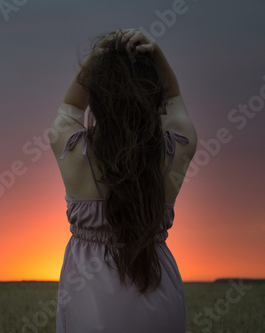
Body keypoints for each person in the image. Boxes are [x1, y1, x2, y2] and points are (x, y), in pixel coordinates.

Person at [49, 28, 198, 333]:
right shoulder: (175, 152)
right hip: (161, 295)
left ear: (97, 100)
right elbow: (174, 96)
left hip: (91, 303)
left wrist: (97, 56)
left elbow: (71, 108)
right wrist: (156, 54)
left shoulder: (74, 151)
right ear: (154, 99)